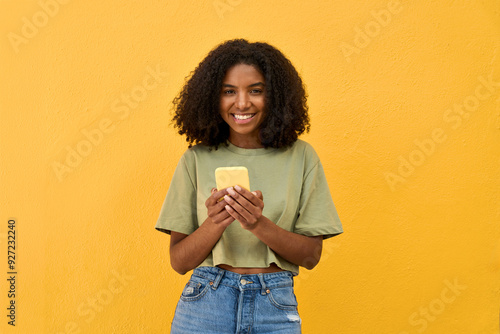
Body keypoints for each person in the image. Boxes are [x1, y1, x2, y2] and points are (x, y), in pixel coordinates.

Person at [155, 38, 343, 334]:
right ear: (211, 98)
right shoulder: (195, 159)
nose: (242, 103)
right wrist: (215, 223)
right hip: (205, 302)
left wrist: (257, 223)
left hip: (275, 305)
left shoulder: (301, 157)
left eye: (256, 90)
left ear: (276, 97)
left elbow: (311, 257)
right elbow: (179, 262)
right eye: (228, 91)